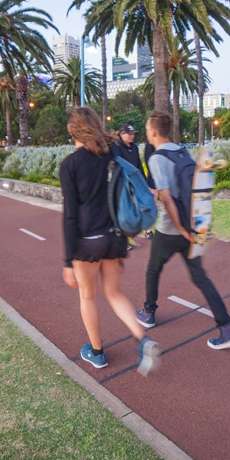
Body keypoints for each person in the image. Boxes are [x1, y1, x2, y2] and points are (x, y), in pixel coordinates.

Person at [60, 107, 161, 375]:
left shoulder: (70, 165)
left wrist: (68, 261)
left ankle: (97, 352)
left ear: (72, 130)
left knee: (88, 295)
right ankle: (142, 338)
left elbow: (70, 217)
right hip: (115, 238)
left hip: (87, 242)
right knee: (114, 293)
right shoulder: (111, 155)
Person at [135, 111, 230, 350]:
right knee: (200, 278)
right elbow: (196, 189)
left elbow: (168, 198)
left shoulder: (157, 158)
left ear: (153, 131)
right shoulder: (183, 152)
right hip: (192, 226)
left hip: (172, 229)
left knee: (153, 269)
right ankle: (227, 328)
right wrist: (194, 228)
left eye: (146, 129)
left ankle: (148, 313)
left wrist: (182, 229)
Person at [111, 123, 145, 249]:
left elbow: (139, 165)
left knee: (135, 210)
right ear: (122, 134)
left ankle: (130, 236)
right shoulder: (116, 147)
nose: (132, 137)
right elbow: (117, 164)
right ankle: (122, 239)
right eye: (129, 134)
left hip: (134, 183)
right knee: (123, 210)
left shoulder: (134, 147)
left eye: (133, 134)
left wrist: (143, 182)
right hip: (122, 184)